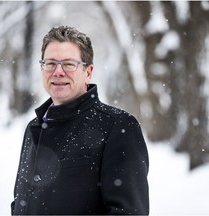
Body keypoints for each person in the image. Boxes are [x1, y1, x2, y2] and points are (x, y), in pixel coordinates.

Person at [11, 25, 149, 215]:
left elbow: (129, 212)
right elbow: (20, 203)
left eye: (68, 64)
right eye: (50, 63)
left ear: (88, 71)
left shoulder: (118, 126)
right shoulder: (33, 127)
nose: (58, 72)